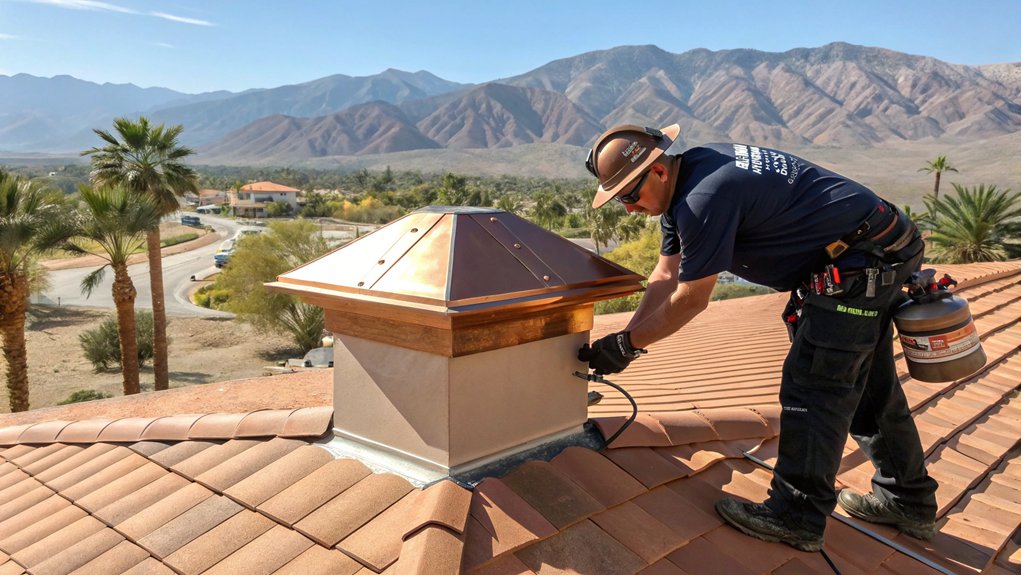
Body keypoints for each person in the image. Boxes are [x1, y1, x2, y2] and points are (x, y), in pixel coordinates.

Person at [577, 124, 938, 552]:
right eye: (619, 199)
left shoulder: (703, 198)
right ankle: (908, 501)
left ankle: (796, 515)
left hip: (864, 262)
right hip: (872, 250)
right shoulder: (686, 182)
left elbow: (691, 299)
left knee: (815, 387)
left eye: (630, 195)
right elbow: (664, 276)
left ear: (657, 170)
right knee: (866, 384)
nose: (629, 208)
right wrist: (625, 339)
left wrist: (629, 345)